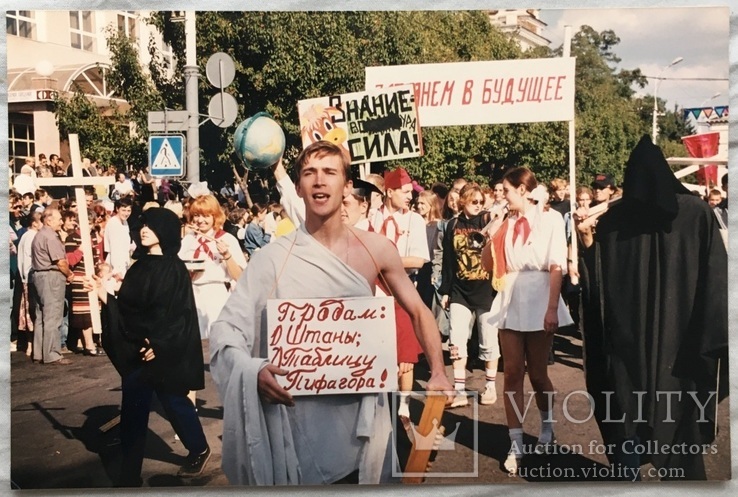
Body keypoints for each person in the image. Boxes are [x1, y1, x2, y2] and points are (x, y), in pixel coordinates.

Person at [209, 141, 453, 485]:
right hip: (296, 418)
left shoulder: (376, 249)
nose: (319, 181)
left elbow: (417, 309)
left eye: (330, 172)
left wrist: (439, 371)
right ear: (298, 187)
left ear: (346, 184)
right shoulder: (271, 259)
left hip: (361, 420)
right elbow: (227, 329)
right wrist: (252, 370)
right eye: (309, 173)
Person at [579, 136, 728, 480]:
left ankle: (628, 480)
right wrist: (710, 342)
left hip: (628, 353)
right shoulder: (697, 215)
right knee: (679, 426)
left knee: (627, 420)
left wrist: (589, 247)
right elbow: (716, 285)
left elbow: (599, 291)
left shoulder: (615, 222)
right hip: (682, 351)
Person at [96, 207, 211, 486]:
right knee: (134, 407)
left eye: (151, 225)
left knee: (173, 401)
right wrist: (105, 297)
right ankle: (129, 474)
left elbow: (180, 316)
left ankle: (198, 448)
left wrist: (158, 345)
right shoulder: (138, 267)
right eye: (143, 225)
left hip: (163, 349)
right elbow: (125, 309)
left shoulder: (175, 269)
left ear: (165, 230)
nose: (144, 229)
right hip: (136, 349)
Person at [481, 167, 573, 475]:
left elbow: (557, 265)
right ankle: (516, 442)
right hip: (511, 294)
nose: (502, 196)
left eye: (506, 191)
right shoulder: (505, 222)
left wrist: (551, 309)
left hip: (539, 294)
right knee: (511, 373)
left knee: (537, 373)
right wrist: (491, 233)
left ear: (523, 189)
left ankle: (547, 427)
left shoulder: (551, 219)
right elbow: (487, 265)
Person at [439, 183, 500, 407]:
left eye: (481, 202)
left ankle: (490, 386)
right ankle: (459, 390)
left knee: (488, 339)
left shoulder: (488, 220)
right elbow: (448, 260)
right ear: (463, 201)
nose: (478, 205)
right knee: (456, 340)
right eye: (474, 201)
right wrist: (445, 290)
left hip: (486, 289)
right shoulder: (452, 224)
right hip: (460, 290)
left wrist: (495, 217)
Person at [178, 194, 247, 339]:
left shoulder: (227, 239)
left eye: (206, 216)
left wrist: (227, 255)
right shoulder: (188, 239)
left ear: (215, 216)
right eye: (196, 215)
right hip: (192, 295)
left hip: (216, 296)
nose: (200, 220)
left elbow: (240, 277)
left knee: (217, 341)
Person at [30, 208, 75, 365]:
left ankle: (39, 353)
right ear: (49, 221)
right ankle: (52, 354)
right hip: (51, 276)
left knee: (41, 315)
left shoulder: (39, 235)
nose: (61, 222)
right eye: (58, 219)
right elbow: (60, 262)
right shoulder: (50, 237)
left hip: (38, 275)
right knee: (53, 315)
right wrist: (69, 274)